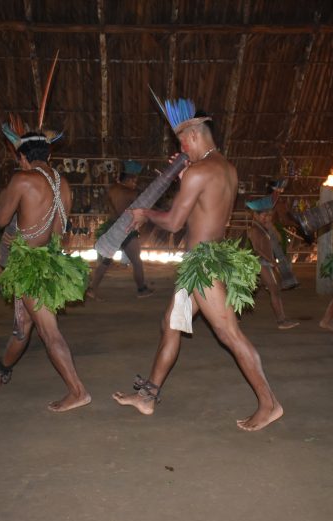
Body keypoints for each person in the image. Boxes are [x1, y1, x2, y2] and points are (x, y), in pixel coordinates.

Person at [113, 95, 283, 431]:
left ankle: (270, 404)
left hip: (203, 267)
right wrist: (186, 179)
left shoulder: (199, 172)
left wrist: (145, 213)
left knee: (230, 335)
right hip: (204, 262)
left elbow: (176, 222)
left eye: (181, 143)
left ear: (192, 136)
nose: (181, 151)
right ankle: (148, 395)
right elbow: (207, 208)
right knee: (171, 325)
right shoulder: (225, 168)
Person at [0, 120, 91, 413]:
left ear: (22, 157)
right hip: (49, 263)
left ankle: (77, 391)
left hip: (28, 265)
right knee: (23, 326)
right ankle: (0, 368)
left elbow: (0, 220)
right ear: (48, 156)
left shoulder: (22, 180)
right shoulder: (63, 183)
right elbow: (60, 232)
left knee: (48, 331)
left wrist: (9, 202)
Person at [86, 160, 154, 300]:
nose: (135, 183)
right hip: (126, 229)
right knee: (136, 261)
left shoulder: (112, 189)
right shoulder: (132, 193)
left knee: (105, 261)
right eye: (134, 180)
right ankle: (141, 289)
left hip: (111, 227)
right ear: (129, 178)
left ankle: (92, 289)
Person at [246, 196, 299, 330]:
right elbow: (257, 249)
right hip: (261, 263)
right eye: (263, 216)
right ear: (256, 215)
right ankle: (281, 321)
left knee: (249, 291)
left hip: (265, 262)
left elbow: (279, 240)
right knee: (274, 290)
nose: (266, 218)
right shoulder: (254, 229)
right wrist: (272, 262)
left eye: (268, 216)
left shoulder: (264, 228)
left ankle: (233, 315)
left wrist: (271, 227)